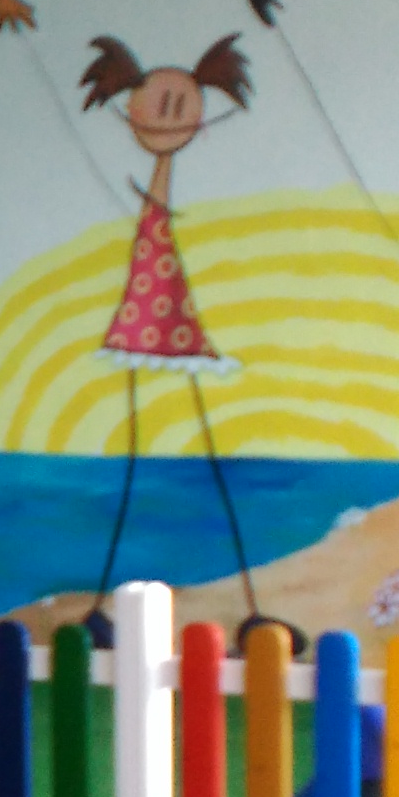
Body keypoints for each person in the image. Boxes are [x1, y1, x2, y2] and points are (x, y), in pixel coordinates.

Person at [78, 35, 269, 627]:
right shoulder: (153, 219)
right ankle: (107, 602)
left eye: (178, 106)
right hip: (153, 314)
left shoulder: (161, 220)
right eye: (157, 104)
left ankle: (247, 605)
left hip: (163, 317)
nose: (164, 116)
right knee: (143, 447)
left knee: (184, 442)